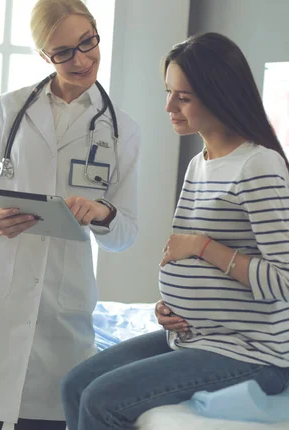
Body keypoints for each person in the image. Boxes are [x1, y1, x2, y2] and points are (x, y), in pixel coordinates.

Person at [60, 31, 289, 430]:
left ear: (220, 95)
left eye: (182, 97)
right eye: (168, 92)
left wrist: (203, 247)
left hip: (254, 353)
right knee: (74, 384)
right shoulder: (200, 163)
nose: (168, 106)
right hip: (196, 337)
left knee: (101, 401)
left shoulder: (259, 167)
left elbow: (284, 280)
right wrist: (173, 309)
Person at [0, 0, 141, 429]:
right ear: (43, 56)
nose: (81, 59)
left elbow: (125, 233)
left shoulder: (122, 130)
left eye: (87, 43)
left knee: (43, 421)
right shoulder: (9, 110)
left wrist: (102, 214)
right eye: (63, 52)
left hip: (62, 312)